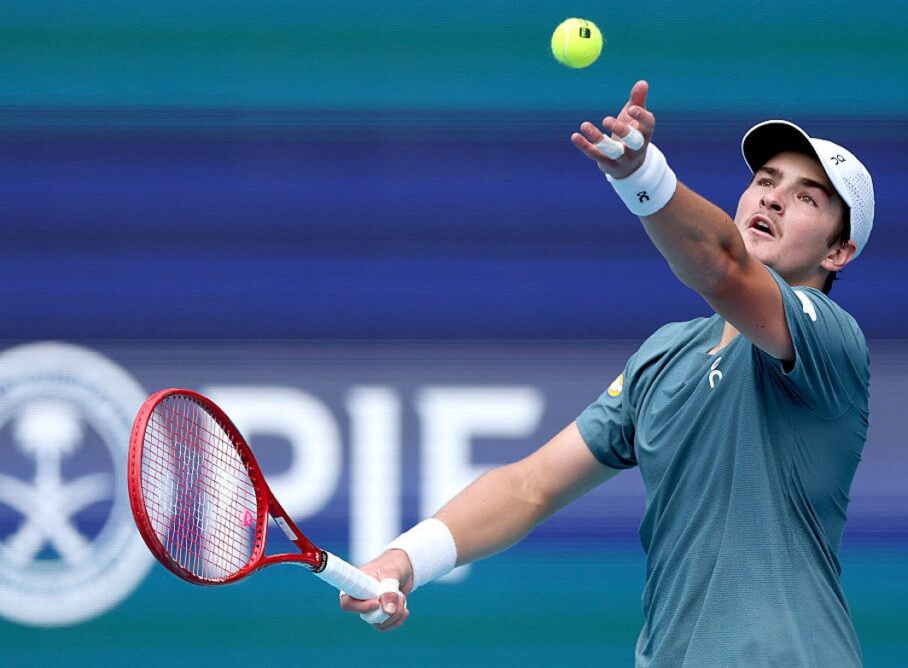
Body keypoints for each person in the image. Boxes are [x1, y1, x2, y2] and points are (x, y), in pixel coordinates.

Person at [339, 80, 874, 667]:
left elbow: (723, 268)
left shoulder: (831, 338)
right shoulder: (665, 355)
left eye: (806, 198)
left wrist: (642, 176)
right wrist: (405, 559)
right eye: (766, 182)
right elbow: (531, 486)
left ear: (838, 253)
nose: (772, 200)